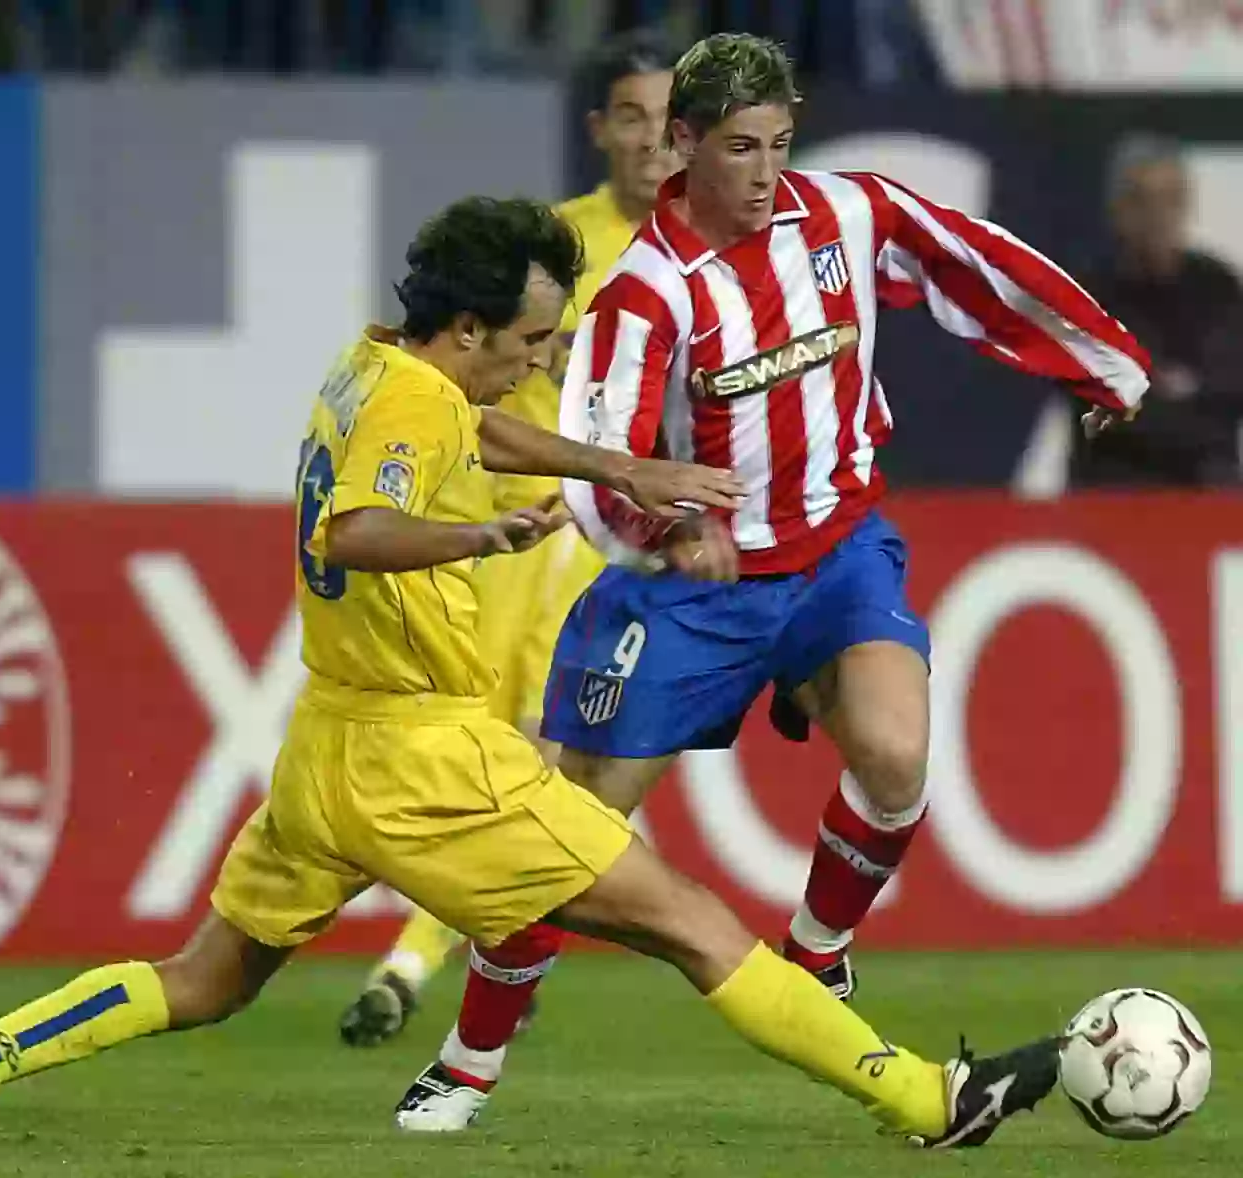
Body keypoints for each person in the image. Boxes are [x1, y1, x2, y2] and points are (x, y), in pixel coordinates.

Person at [0, 195, 1058, 1157]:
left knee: (204, 976)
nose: (537, 357)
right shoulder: (416, 413)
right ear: (468, 329)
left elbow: (482, 426)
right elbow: (353, 525)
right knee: (691, 921)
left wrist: (616, 466)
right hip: (429, 755)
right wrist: (485, 534)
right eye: (526, 339)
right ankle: (928, 1096)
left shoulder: (376, 366)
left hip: (328, 746)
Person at [396, 32, 1148, 1131]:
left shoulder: (841, 216)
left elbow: (969, 263)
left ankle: (818, 952)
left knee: (896, 755)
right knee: (566, 837)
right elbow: (600, 462)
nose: (765, 172)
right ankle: (468, 1059)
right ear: (684, 146)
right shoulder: (644, 295)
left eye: (781, 144)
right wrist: (667, 529)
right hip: (689, 592)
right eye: (741, 148)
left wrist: (1104, 362)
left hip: (836, 551)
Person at [338, 28, 681, 1047]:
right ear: (599, 131)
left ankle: (412, 961)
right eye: (631, 117)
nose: (651, 142)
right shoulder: (547, 247)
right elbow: (434, 351)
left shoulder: (707, 262)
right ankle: (490, 947)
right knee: (486, 763)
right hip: (500, 525)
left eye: (669, 122)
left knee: (542, 763)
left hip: (600, 546)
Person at [1064, 133, 1243, 487]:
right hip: (1114, 491)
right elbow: (1112, 411)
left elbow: (1233, 387)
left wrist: (1164, 395)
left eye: (1172, 200)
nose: (1159, 216)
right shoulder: (1086, 298)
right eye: (1142, 201)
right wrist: (1192, 396)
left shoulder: (1216, 286)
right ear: (1118, 210)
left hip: (1208, 487)